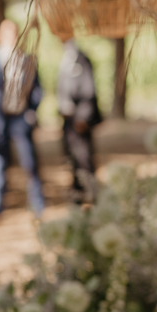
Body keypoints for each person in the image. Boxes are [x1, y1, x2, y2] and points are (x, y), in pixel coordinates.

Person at [0, 19, 45, 218]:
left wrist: (30, 113)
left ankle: (37, 205)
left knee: (29, 163)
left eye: (14, 33)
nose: (11, 37)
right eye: (7, 33)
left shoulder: (28, 60)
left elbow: (37, 90)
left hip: (21, 119)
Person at [57, 39, 102, 203]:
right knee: (72, 159)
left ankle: (92, 195)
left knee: (84, 159)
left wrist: (83, 117)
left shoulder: (82, 59)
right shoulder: (66, 58)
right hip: (68, 120)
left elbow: (89, 91)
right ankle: (77, 195)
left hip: (80, 120)